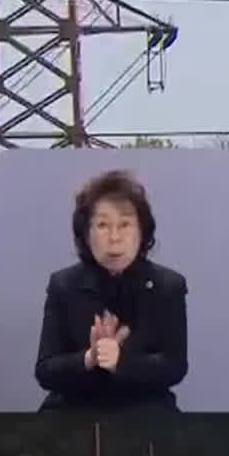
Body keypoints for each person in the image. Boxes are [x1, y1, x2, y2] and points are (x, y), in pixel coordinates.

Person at [34, 169, 188, 410]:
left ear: (142, 231)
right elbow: (45, 370)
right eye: (103, 225)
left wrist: (121, 362)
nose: (114, 237)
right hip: (73, 416)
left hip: (147, 415)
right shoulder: (63, 285)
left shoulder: (168, 286)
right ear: (86, 234)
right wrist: (89, 358)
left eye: (125, 224)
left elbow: (174, 367)